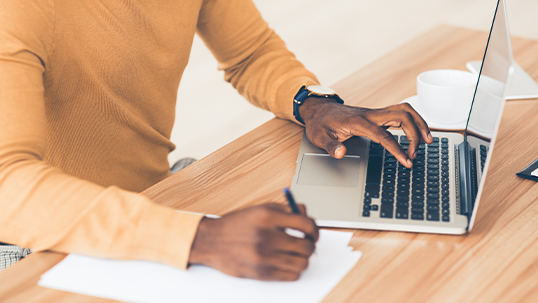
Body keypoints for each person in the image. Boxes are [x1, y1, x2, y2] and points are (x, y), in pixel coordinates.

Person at [0, 0, 431, 279]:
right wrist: (200, 237)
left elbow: (251, 52)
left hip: (151, 197)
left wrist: (313, 104)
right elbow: (8, 186)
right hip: (36, 236)